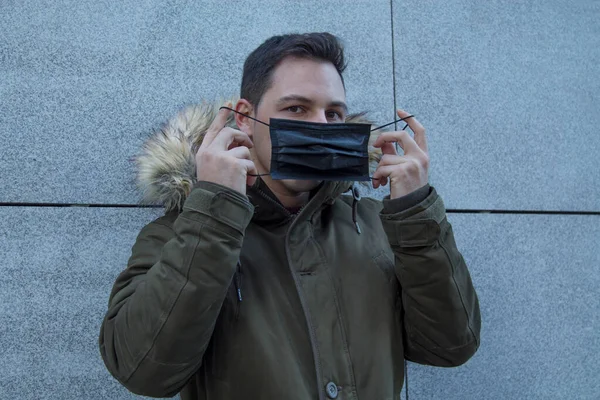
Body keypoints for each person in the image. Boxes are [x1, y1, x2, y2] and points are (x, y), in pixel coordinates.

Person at [99, 32, 481, 400]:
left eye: (334, 113)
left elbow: (451, 344)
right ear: (245, 118)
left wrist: (415, 211)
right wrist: (213, 211)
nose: (320, 126)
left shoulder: (378, 225)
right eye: (296, 108)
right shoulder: (181, 232)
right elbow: (142, 370)